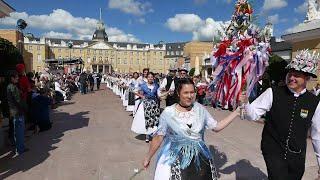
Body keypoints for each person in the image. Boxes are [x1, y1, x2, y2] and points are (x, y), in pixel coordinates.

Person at [242, 50, 320, 179]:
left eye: (297, 75)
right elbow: (253, 115)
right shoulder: (272, 93)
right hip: (273, 149)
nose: (291, 77)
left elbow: (317, 135)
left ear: (307, 77)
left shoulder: (314, 102)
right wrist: (245, 103)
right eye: (290, 73)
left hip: (297, 154)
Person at [143, 78, 239, 180]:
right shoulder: (168, 113)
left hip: (201, 159)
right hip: (174, 159)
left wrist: (236, 112)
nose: (190, 96)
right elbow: (158, 137)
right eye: (186, 93)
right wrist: (148, 157)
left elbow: (216, 127)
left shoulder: (200, 109)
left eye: (192, 92)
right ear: (178, 93)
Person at [131, 72, 160, 143]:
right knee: (146, 119)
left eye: (151, 77)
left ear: (153, 78)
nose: (150, 78)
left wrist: (167, 92)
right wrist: (142, 96)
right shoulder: (143, 85)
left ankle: (152, 133)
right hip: (145, 104)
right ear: (147, 78)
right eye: (149, 77)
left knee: (153, 119)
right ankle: (147, 135)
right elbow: (134, 91)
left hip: (153, 104)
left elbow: (158, 95)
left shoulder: (156, 85)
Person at [7, 72, 28, 155]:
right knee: (19, 131)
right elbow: (18, 101)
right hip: (18, 111)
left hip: (13, 111)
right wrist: (25, 108)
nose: (18, 79)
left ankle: (19, 148)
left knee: (17, 131)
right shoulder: (13, 88)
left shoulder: (9, 87)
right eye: (16, 77)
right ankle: (20, 149)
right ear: (12, 78)